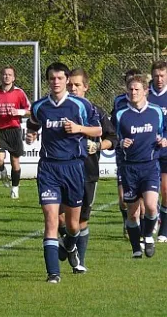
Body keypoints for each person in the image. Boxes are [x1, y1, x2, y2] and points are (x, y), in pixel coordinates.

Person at [25, 62, 101, 284]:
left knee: (73, 225)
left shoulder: (80, 105)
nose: (55, 82)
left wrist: (78, 129)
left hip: (74, 167)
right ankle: (53, 274)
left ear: (67, 80)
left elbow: (97, 130)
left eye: (59, 78)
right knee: (50, 219)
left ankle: (69, 245)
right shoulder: (40, 106)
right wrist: (30, 136)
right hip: (48, 168)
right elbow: (33, 125)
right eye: (51, 78)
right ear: (47, 80)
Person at [59, 68, 117, 273]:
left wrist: (98, 146)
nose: (73, 88)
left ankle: (78, 260)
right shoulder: (59, 109)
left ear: (86, 87)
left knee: (82, 219)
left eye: (77, 85)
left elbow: (112, 138)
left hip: (87, 172)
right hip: (61, 171)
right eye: (70, 85)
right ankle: (69, 244)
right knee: (58, 216)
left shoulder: (96, 111)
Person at [112, 74, 166, 258]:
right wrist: (120, 143)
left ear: (145, 91)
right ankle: (136, 247)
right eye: (130, 89)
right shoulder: (120, 114)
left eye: (137, 89)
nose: (133, 92)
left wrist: (163, 140)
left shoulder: (156, 111)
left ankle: (149, 236)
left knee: (151, 206)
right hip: (129, 168)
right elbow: (113, 139)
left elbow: (162, 132)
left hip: (150, 165)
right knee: (132, 213)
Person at [0, 66, 31, 199]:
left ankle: (15, 188)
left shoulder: (19, 93)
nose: (6, 76)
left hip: (14, 130)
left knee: (15, 161)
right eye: (4, 74)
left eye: (9, 74)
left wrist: (18, 112)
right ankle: (2, 171)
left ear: (13, 78)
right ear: (1, 76)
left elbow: (30, 110)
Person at [111, 68, 143, 239]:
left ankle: (144, 226)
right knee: (123, 197)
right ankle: (127, 222)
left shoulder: (146, 103)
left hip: (143, 155)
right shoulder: (118, 102)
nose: (133, 90)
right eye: (129, 84)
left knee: (144, 197)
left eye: (136, 85)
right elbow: (113, 126)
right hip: (123, 154)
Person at [146, 61, 167, 242]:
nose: (159, 79)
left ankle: (164, 229)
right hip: (149, 151)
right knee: (149, 189)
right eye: (156, 75)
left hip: (166, 149)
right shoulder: (146, 94)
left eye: (162, 75)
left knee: (166, 189)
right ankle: (153, 221)